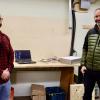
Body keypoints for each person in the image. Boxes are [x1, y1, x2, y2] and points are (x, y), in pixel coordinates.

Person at [80, 8, 100, 100]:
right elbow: (85, 49)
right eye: (96, 16)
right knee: (87, 95)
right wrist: (83, 65)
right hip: (89, 71)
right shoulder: (90, 32)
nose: (98, 18)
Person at [0, 15, 14, 100]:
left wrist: (8, 70)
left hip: (5, 81)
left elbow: (11, 55)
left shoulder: (5, 38)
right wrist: (1, 72)